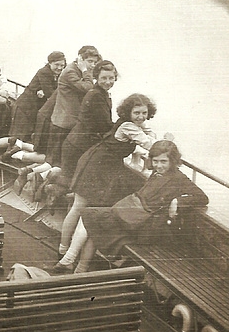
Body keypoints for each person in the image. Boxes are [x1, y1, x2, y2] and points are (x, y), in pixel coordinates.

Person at [53, 141, 208, 274]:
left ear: (172, 161)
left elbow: (202, 197)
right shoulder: (157, 173)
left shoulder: (179, 179)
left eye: (163, 162)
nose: (158, 166)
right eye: (156, 161)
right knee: (94, 221)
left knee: (92, 218)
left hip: (145, 227)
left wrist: (177, 202)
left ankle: (71, 261)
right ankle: (79, 268)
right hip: (133, 217)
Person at [57, 93, 168, 261]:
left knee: (85, 208)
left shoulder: (132, 125)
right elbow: (149, 144)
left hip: (103, 167)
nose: (141, 117)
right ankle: (63, 248)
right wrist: (167, 141)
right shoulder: (127, 127)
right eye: (137, 113)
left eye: (144, 113)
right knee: (79, 206)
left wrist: (145, 127)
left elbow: (147, 132)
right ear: (128, 112)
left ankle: (67, 250)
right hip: (96, 167)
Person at [60, 60, 118, 178]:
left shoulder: (101, 93)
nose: (108, 82)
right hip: (77, 146)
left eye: (111, 78)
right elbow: (105, 125)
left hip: (76, 142)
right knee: (68, 181)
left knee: (68, 178)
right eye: (104, 78)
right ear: (96, 77)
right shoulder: (96, 95)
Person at [47, 46, 101, 164]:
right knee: (56, 161)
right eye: (90, 61)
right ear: (80, 59)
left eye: (95, 62)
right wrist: (86, 71)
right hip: (63, 123)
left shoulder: (77, 70)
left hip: (69, 121)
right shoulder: (70, 71)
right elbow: (88, 87)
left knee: (61, 160)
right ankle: (23, 161)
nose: (93, 65)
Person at [10, 51, 65, 143]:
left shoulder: (57, 73)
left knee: (26, 137)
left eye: (62, 65)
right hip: (25, 107)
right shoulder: (44, 72)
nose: (59, 68)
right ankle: (8, 154)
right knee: (18, 136)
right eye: (57, 64)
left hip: (34, 108)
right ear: (50, 63)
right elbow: (50, 94)